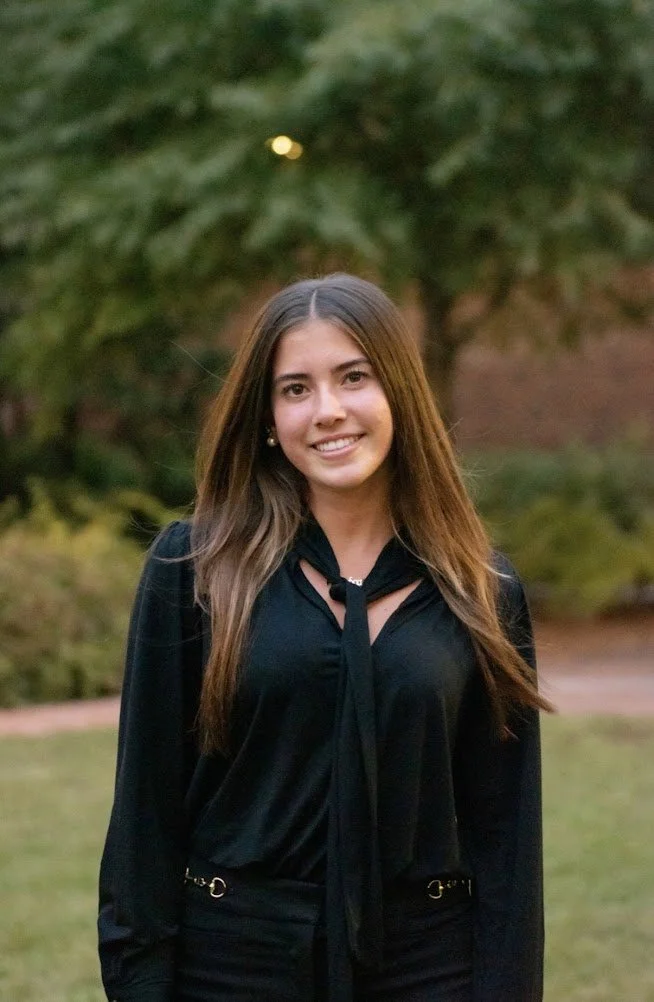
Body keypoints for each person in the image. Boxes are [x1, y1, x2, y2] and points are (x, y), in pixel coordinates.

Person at [98, 273, 551, 1002]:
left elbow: (506, 840)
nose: (329, 411)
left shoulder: (480, 588)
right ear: (268, 418)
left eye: (354, 377)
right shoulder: (197, 570)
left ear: (399, 392)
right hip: (231, 966)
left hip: (427, 968)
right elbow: (144, 822)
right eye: (296, 388)